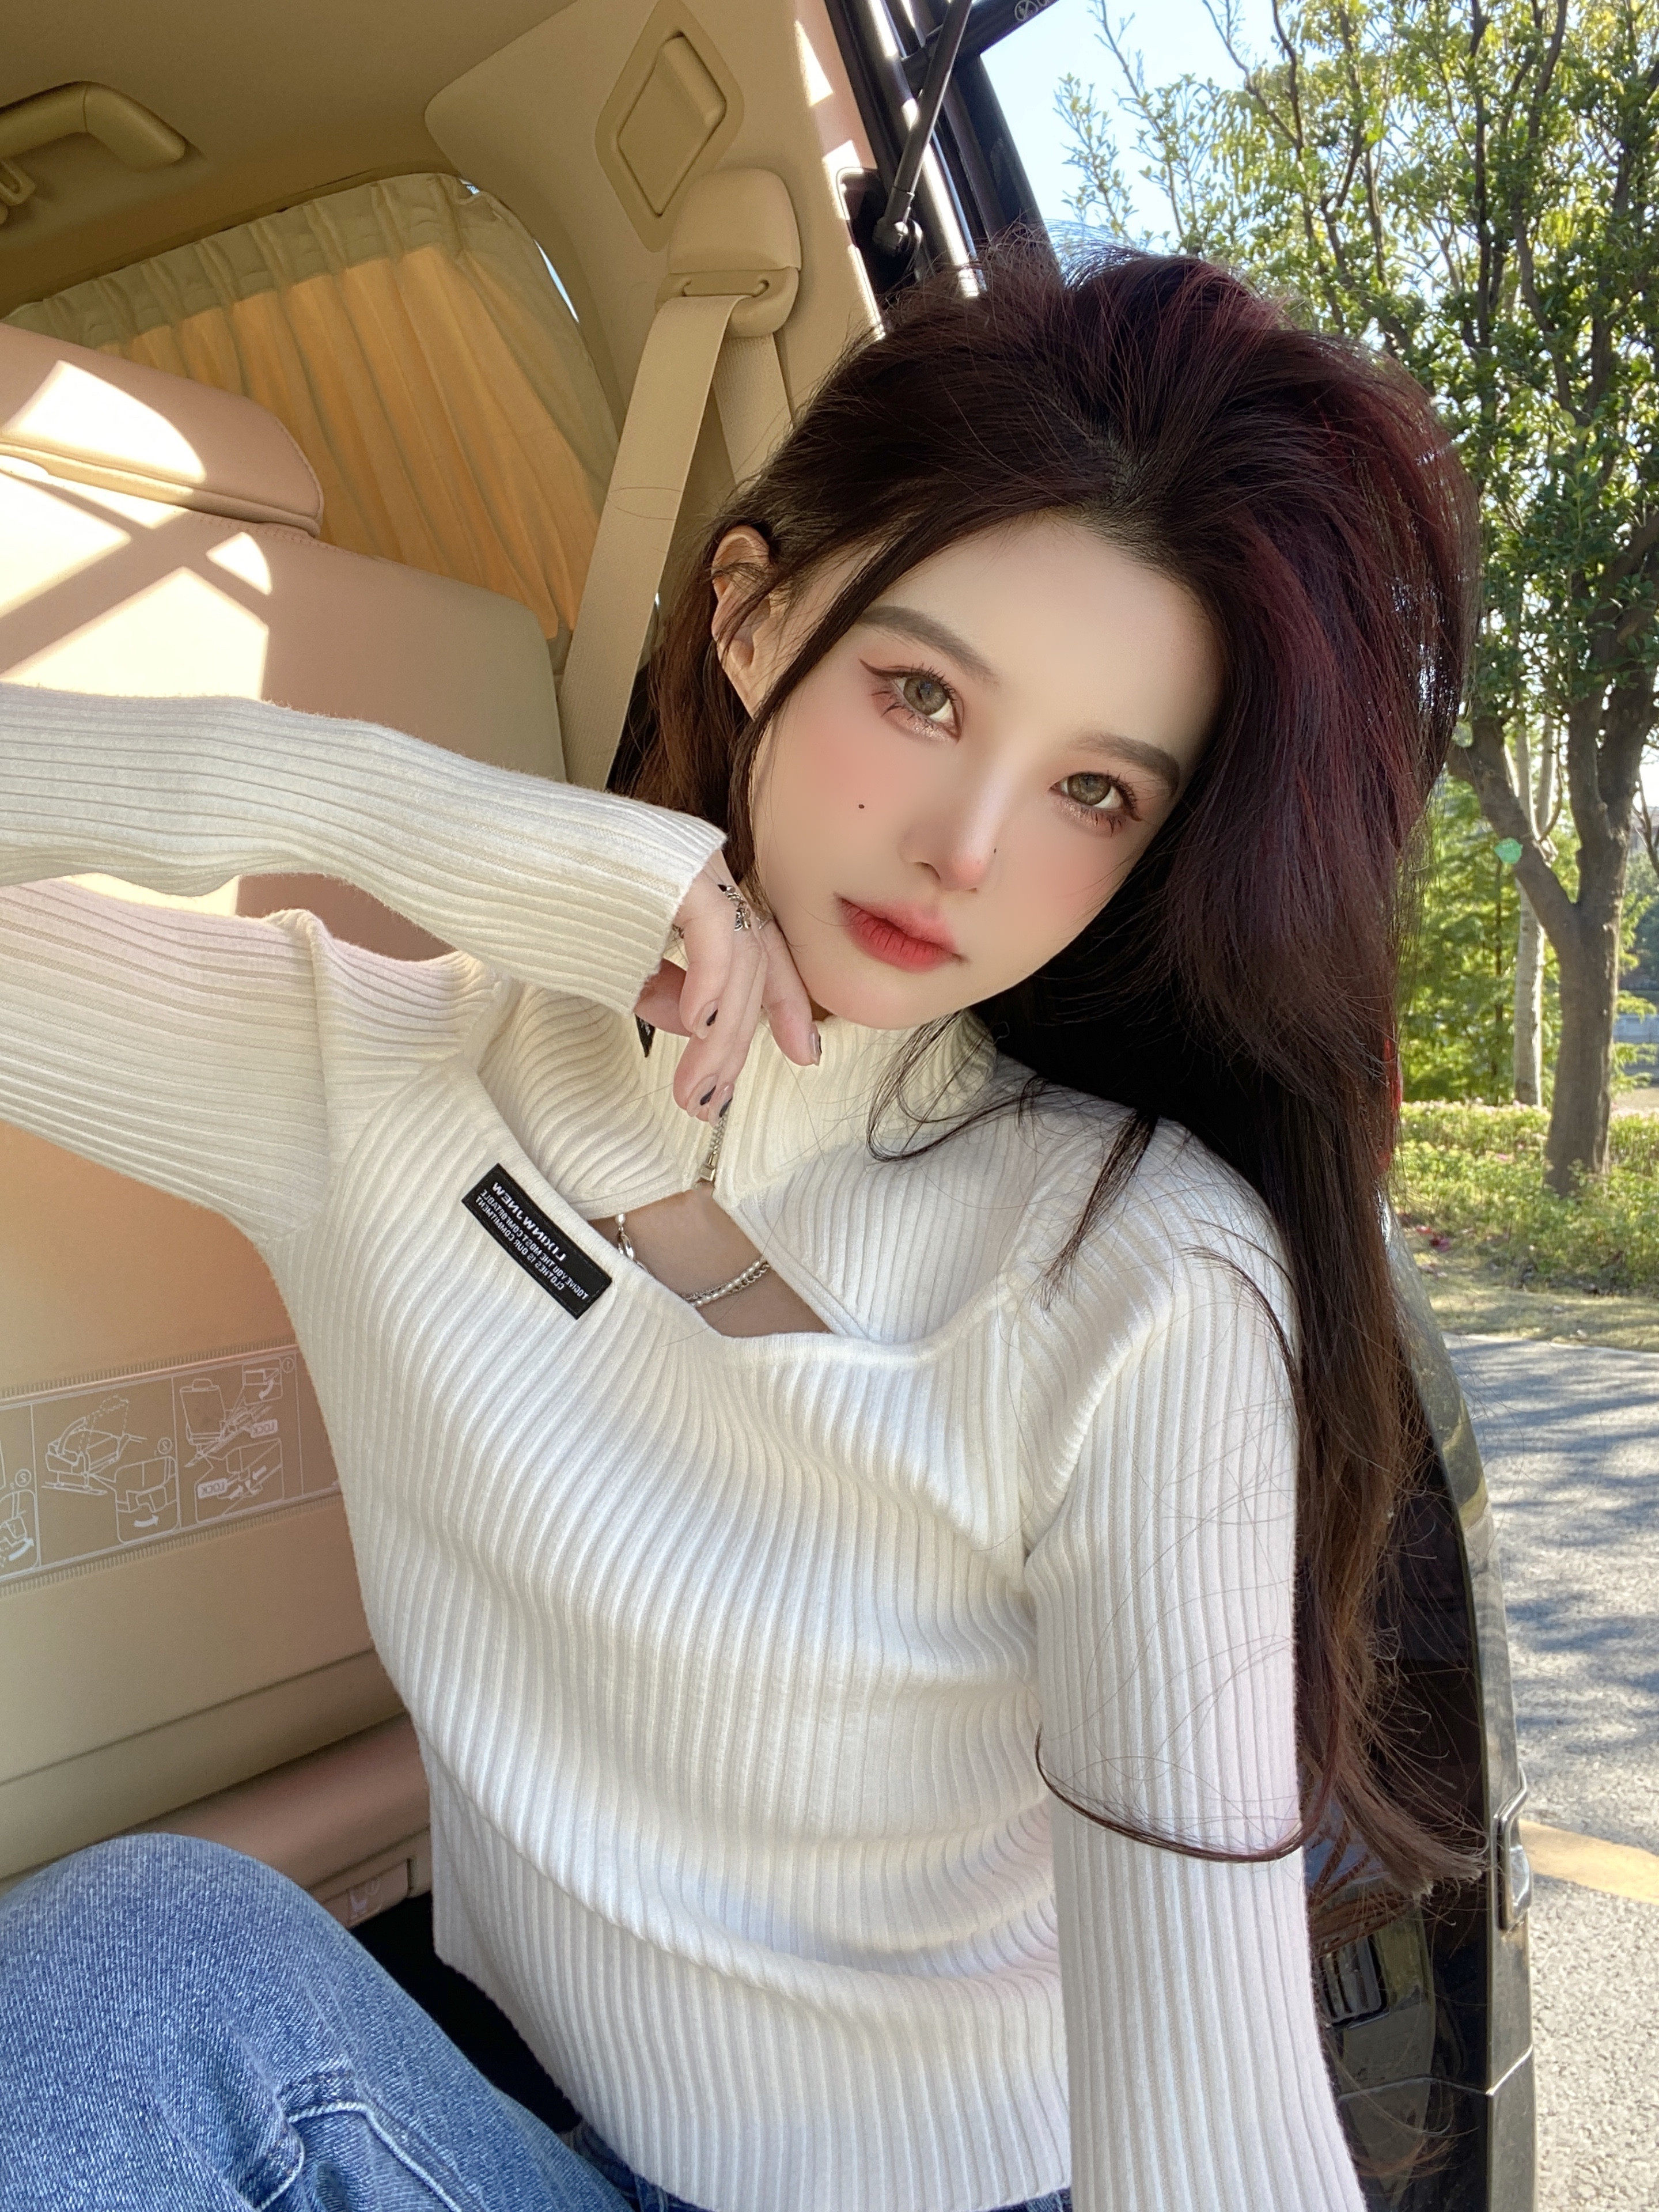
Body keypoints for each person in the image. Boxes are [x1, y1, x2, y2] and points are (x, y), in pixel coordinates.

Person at [0, 245, 1480, 2212]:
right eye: (921, 693)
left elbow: (1216, 2143)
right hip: (545, 2151)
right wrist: (384, 808)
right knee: (142, 1953)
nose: (967, 852)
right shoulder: (359, 1083)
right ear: (753, 615)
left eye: (1095, 792)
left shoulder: (1138, 1280)